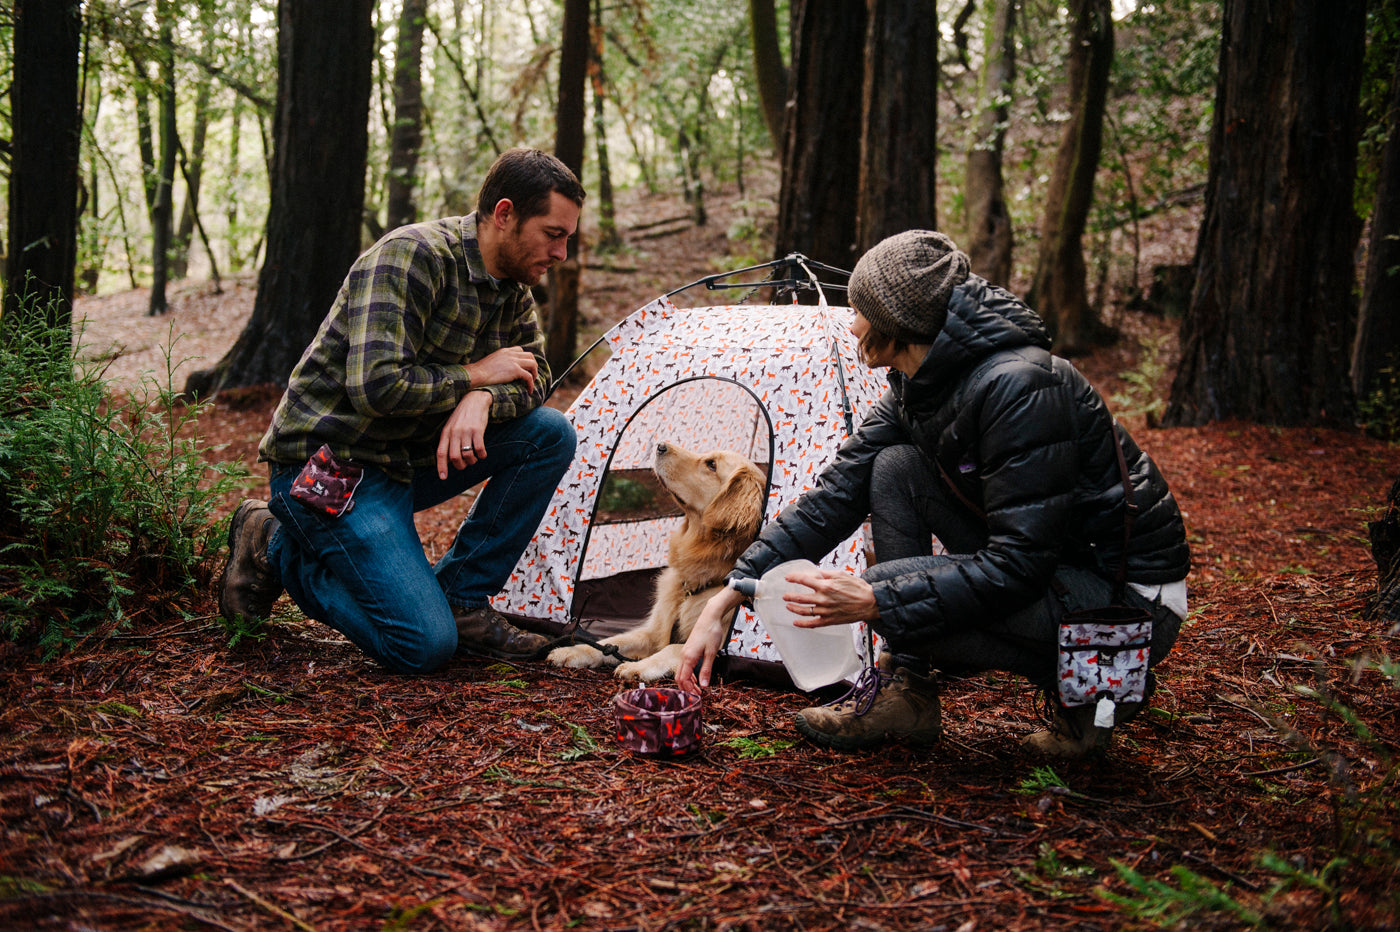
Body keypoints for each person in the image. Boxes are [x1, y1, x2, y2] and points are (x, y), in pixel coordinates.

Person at [677, 230, 1189, 758]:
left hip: (1125, 601)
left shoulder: (1022, 387)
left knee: (882, 593)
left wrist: (878, 601)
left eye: (859, 310)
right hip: (1053, 564)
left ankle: (1085, 699)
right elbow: (836, 493)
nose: (851, 325)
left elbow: (1017, 566)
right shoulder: (923, 385)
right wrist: (732, 592)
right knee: (895, 467)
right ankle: (910, 696)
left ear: (894, 324)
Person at [218, 147, 585, 675]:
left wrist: (481, 398)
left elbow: (538, 376)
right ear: (504, 214)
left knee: (548, 434)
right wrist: (475, 376)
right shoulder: (411, 257)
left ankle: (462, 600)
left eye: (567, 237)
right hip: (328, 465)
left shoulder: (513, 287)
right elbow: (377, 387)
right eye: (553, 233)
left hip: (406, 460)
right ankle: (272, 543)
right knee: (422, 646)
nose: (562, 253)